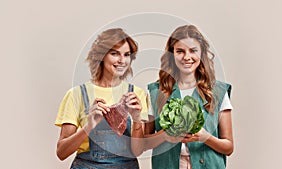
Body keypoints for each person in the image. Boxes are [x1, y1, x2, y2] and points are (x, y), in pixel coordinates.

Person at [135, 25, 234, 169]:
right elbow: (143, 144)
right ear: (172, 54)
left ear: (202, 53)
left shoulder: (218, 91)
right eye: (180, 51)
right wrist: (164, 135)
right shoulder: (156, 92)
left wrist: (206, 137)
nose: (187, 57)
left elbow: (229, 147)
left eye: (193, 51)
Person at [55, 28, 148, 169]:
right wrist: (89, 126)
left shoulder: (136, 94)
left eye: (127, 55)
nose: (122, 60)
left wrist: (136, 119)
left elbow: (137, 151)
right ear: (101, 56)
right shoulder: (77, 94)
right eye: (115, 53)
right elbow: (61, 152)